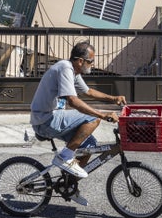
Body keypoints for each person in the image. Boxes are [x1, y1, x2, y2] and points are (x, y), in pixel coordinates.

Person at [30, 41, 126, 204]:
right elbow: (73, 101)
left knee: (88, 146)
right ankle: (65, 156)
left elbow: (88, 91)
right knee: (93, 118)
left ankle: (70, 185)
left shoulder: (73, 72)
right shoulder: (65, 68)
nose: (92, 65)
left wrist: (113, 98)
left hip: (52, 118)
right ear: (80, 61)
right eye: (90, 61)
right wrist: (102, 115)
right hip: (45, 119)